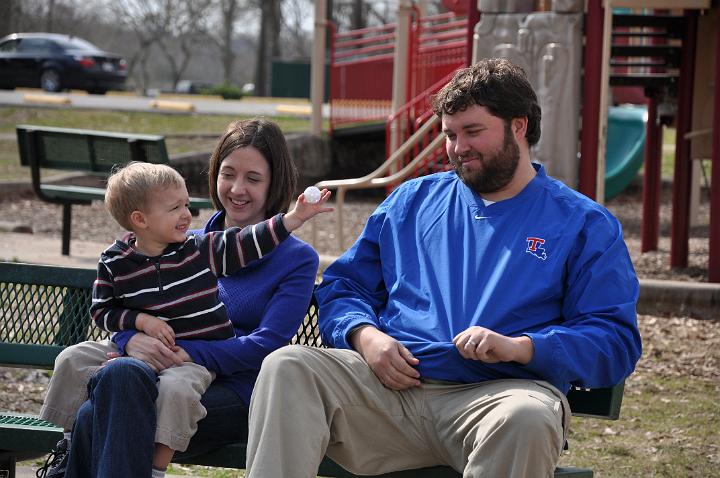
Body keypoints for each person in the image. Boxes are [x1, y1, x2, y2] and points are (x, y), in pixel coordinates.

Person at [245, 58, 643, 478]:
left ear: (519, 127)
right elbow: (344, 288)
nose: (457, 147)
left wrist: (522, 347)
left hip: (497, 399)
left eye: (473, 131)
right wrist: (366, 337)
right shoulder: (411, 201)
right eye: (450, 134)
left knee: (528, 416)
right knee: (289, 366)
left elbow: (613, 340)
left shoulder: (583, 223)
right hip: (387, 395)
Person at [37, 119, 326, 478]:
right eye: (228, 174)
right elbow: (129, 302)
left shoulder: (295, 258)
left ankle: (66, 468)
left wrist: (186, 353)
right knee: (118, 379)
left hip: (232, 391)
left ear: (274, 183)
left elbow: (267, 345)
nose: (237, 188)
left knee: (97, 409)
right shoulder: (175, 239)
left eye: (253, 178)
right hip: (151, 374)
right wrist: (133, 339)